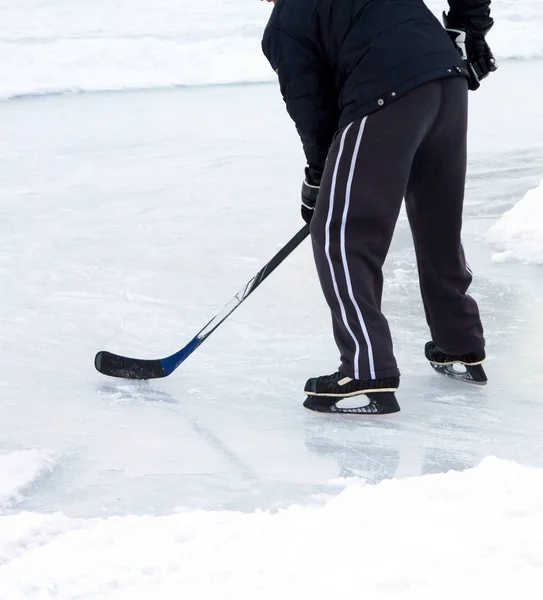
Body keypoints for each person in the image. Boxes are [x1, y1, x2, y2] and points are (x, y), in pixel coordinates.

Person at [261, 0, 496, 414]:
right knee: (436, 221)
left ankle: (366, 370)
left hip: (388, 94)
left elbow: (314, 112)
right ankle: (460, 344)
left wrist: (319, 180)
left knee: (339, 233)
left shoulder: (285, 25)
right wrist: (468, 30)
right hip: (447, 79)